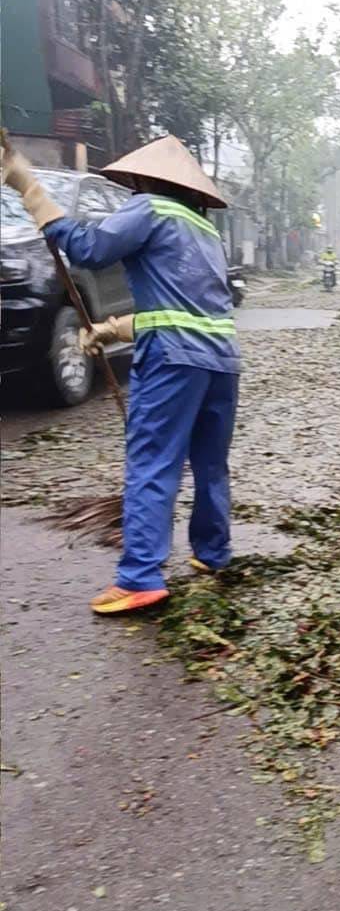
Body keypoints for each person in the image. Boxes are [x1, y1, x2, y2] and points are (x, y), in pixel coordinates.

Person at [1, 133, 239, 615]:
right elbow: (187, 308)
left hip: (172, 361)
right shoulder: (205, 231)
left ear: (146, 179)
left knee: (152, 462)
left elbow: (88, 249)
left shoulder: (150, 208)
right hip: (222, 361)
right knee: (210, 463)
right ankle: (213, 552)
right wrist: (111, 330)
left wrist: (28, 187)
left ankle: (140, 578)